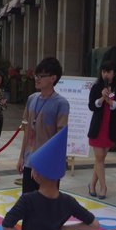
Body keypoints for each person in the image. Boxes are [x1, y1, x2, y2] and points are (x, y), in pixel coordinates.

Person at [17, 57, 69, 194]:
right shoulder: (31, 99)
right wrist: (21, 156)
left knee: (48, 205)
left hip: (48, 163)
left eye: (41, 76)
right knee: (28, 203)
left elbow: (59, 139)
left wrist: (43, 164)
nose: (37, 79)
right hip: (29, 161)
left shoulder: (61, 104)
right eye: (36, 75)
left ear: (53, 78)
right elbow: (27, 130)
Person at [87, 60, 116, 199]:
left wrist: (111, 102)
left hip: (110, 128)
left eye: (109, 72)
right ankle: (103, 187)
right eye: (104, 71)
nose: (106, 74)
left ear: (114, 73)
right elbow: (92, 106)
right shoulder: (97, 87)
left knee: (101, 159)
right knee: (99, 158)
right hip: (97, 128)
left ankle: (92, 184)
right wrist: (102, 98)